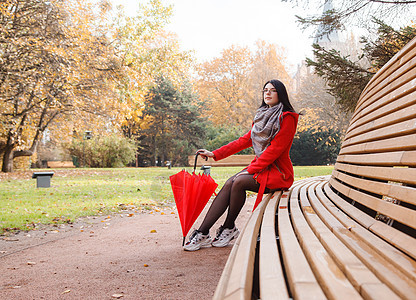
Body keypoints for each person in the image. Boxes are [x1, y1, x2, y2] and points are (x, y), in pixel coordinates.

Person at [183, 79, 299, 251]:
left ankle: (228, 227)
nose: (267, 93)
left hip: (279, 173)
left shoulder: (287, 118)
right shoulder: (262, 115)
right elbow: (243, 141)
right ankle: (204, 232)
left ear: (280, 94)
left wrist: (250, 171)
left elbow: (274, 150)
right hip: (262, 169)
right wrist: (215, 154)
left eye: (272, 90)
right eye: (265, 90)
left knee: (239, 181)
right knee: (231, 182)